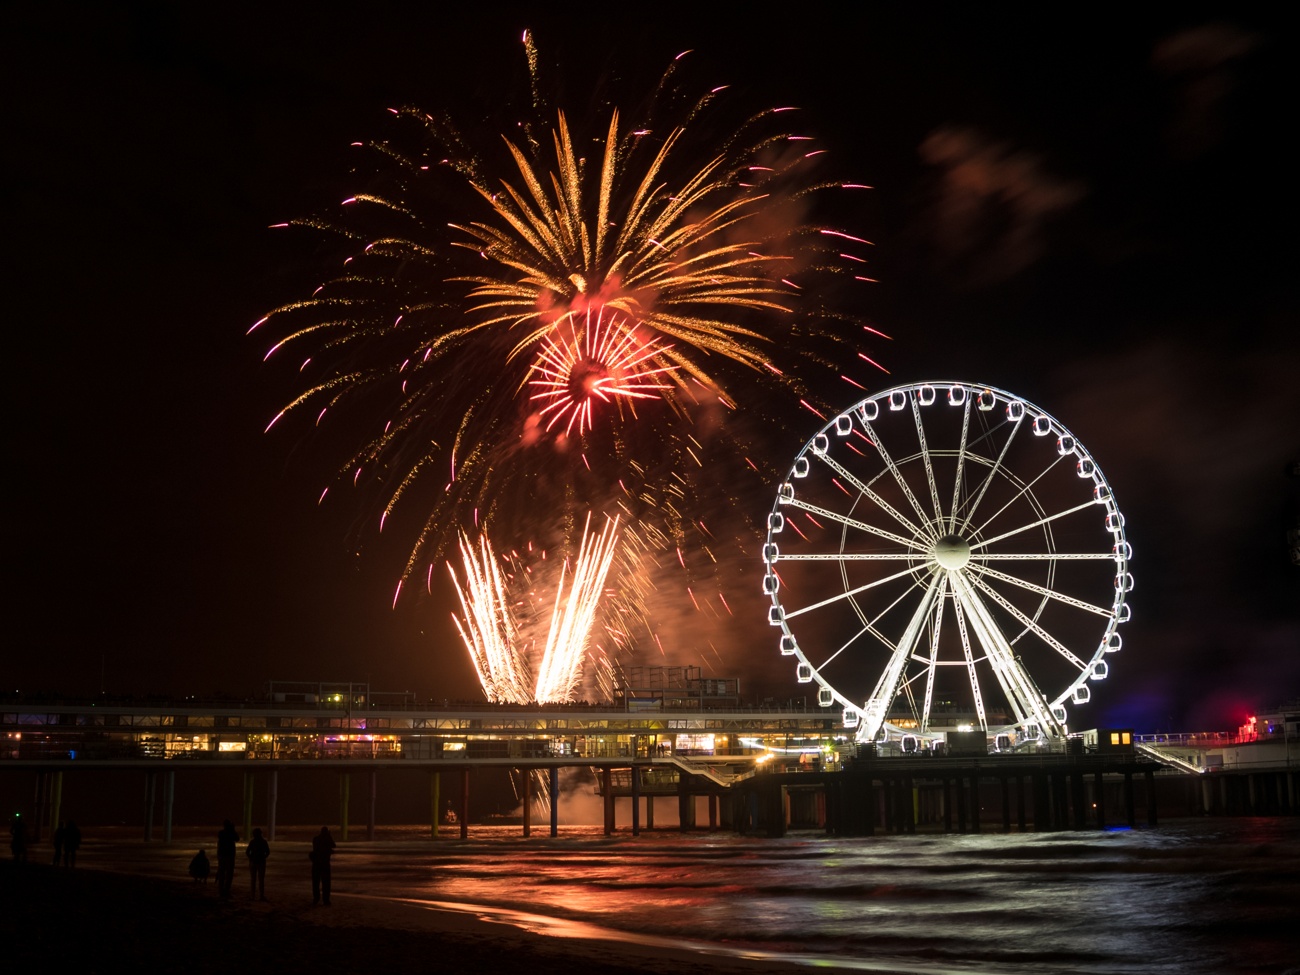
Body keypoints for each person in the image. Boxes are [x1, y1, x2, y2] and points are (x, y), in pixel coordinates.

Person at [309, 826, 335, 906]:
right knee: (326, 883)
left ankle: (316, 898)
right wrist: (329, 836)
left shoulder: (316, 839)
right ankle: (326, 900)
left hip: (316, 864)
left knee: (316, 883)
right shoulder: (327, 840)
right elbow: (334, 845)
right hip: (325, 864)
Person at [216, 819, 239, 899]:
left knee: (222, 873)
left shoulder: (221, 833)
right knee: (229, 874)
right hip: (229, 855)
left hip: (222, 855)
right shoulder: (230, 833)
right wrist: (233, 829)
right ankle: (226, 891)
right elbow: (237, 838)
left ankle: (221, 891)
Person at [245, 827, 270, 900]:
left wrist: (251, 858)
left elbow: (247, 852)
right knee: (261, 880)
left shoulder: (252, 842)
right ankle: (261, 895)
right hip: (261, 862)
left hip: (253, 862)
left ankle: (252, 896)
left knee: (253, 880)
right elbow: (268, 852)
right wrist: (263, 857)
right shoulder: (263, 842)